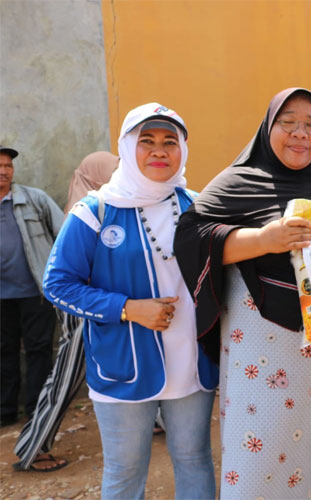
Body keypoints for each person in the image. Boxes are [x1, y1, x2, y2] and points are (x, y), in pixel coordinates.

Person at [174, 88, 311, 498]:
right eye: (288, 122)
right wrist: (263, 239)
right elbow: (190, 237)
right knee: (261, 444)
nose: (300, 133)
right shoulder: (238, 182)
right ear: (267, 129)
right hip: (264, 345)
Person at [42, 103, 218, 499]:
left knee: (194, 459)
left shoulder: (198, 206)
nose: (159, 151)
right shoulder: (95, 211)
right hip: (124, 363)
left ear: (183, 150)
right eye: (147, 141)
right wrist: (127, 308)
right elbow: (57, 284)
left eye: (170, 141)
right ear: (126, 147)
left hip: (191, 364)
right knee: (125, 471)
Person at [13, 151, 118, 472]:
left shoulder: (115, 205)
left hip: (109, 303)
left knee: (131, 356)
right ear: (96, 175)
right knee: (67, 376)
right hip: (82, 306)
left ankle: (157, 421)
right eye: (112, 170)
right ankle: (33, 446)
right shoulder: (85, 211)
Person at [0, 145, 64, 472]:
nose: (4, 171)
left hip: (35, 292)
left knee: (39, 351)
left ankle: (36, 412)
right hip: (1, 298)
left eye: (8, 166)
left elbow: (63, 234)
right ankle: (5, 412)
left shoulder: (33, 199)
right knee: (4, 351)